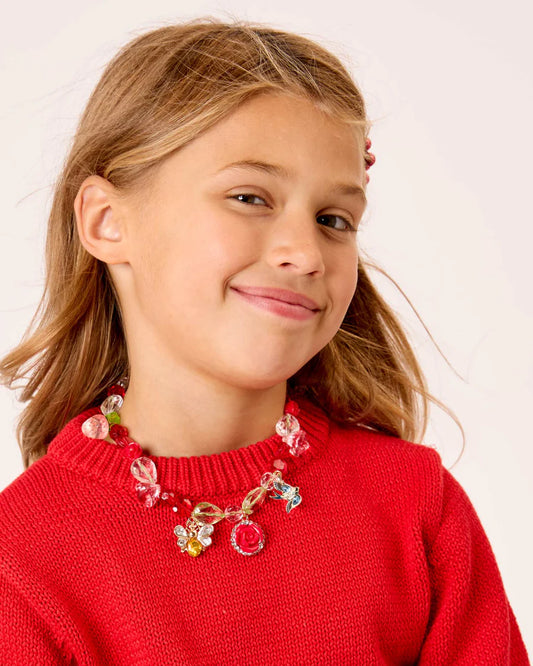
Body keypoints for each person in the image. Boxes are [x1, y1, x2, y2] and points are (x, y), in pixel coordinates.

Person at [0, 18, 528, 666]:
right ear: (107, 221)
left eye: (333, 219)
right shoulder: (22, 559)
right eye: (249, 197)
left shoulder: (415, 506)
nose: (305, 253)